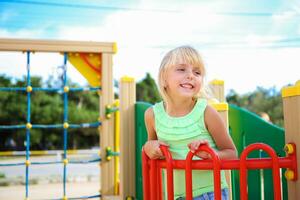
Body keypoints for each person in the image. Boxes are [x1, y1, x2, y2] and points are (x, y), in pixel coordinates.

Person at [143, 46, 237, 200]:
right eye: (181, 69)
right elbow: (151, 146)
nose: (191, 76)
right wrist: (148, 147)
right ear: (164, 79)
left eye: (197, 72)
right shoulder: (152, 115)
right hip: (173, 194)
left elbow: (232, 153)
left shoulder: (206, 112)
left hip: (210, 194)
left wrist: (211, 155)